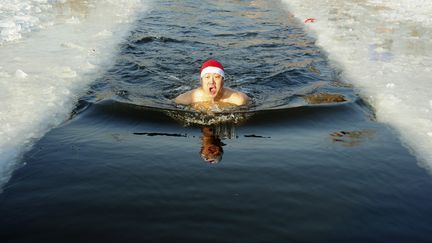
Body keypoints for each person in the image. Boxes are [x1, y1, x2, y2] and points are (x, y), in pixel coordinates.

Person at [174, 59, 249, 107]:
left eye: (216, 77)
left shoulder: (238, 100)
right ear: (201, 81)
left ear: (223, 81)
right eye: (207, 77)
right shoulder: (186, 99)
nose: (211, 82)